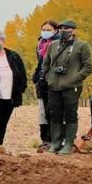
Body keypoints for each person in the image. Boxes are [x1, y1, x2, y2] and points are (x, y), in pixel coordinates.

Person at [44, 20, 92, 155]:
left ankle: (68, 143)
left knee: (70, 115)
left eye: (66, 28)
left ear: (73, 30)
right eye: (60, 28)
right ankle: (55, 143)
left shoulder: (82, 46)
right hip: (54, 86)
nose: (63, 31)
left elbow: (88, 67)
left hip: (72, 87)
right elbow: (46, 64)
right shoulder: (53, 46)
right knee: (55, 115)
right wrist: (49, 78)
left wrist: (75, 78)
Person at [32, 21, 60, 151]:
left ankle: (56, 139)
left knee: (52, 111)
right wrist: (37, 76)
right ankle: (45, 139)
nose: (45, 31)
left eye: (49, 29)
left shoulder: (59, 44)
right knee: (42, 112)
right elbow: (41, 62)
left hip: (54, 81)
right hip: (41, 81)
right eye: (43, 29)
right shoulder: (40, 44)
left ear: (55, 31)